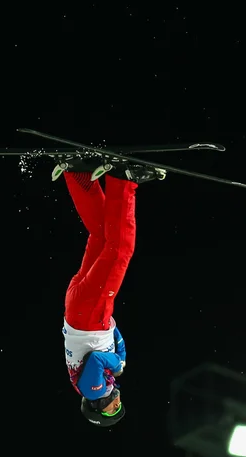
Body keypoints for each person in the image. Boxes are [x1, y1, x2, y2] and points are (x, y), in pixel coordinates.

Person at [59, 157, 166, 426]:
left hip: (89, 315)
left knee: (120, 250)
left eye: (111, 410)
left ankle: (124, 179)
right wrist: (116, 343)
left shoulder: (92, 389)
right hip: (84, 312)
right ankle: (78, 174)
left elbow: (96, 359)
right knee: (101, 236)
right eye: (118, 408)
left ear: (96, 408)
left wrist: (117, 363)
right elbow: (116, 343)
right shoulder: (102, 381)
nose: (116, 404)